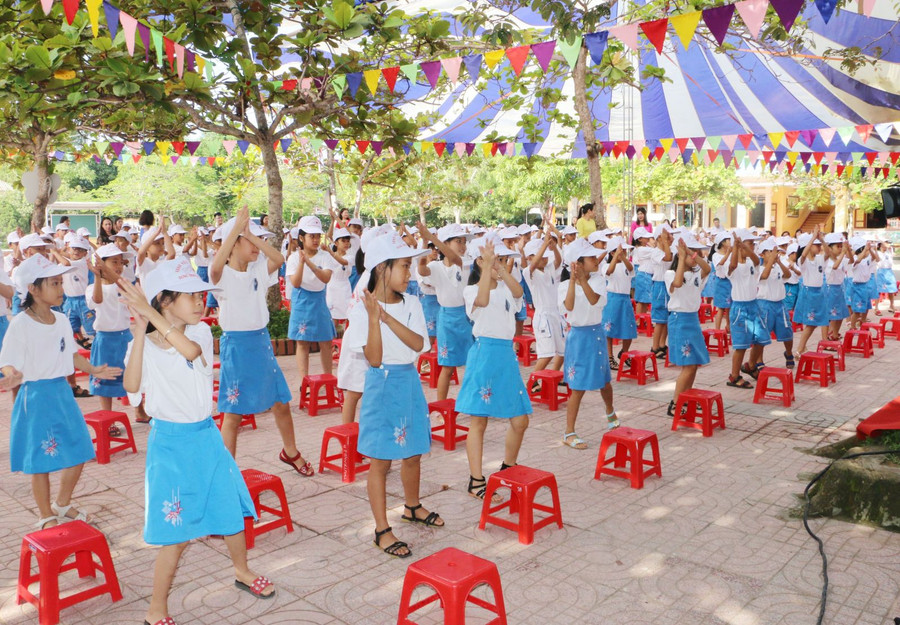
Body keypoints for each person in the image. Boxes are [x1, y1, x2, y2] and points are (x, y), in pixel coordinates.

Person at [119, 261, 274, 625]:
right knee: (175, 533)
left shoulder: (201, 333)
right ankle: (157, 607)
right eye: (189, 294)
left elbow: (188, 351)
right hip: (168, 445)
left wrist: (150, 315)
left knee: (230, 512)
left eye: (200, 293)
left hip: (205, 438)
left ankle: (242, 570)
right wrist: (141, 331)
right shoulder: (143, 342)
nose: (199, 300)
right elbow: (131, 387)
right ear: (165, 300)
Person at [0, 255, 120, 529]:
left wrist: (94, 369)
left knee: (80, 449)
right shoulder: (21, 323)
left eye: (60, 282)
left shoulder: (62, 319)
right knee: (40, 461)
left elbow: (72, 354)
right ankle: (45, 515)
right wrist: (11, 375)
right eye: (54, 283)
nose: (60, 288)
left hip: (61, 393)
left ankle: (62, 503)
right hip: (35, 396)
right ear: (32, 288)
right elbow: (8, 361)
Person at [342, 231, 443, 559]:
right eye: (403, 266)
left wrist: (385, 318)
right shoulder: (362, 309)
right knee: (381, 460)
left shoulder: (412, 302)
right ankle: (382, 528)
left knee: (412, 453)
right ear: (382, 269)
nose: (409, 273)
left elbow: (418, 344)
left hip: (408, 382)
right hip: (381, 385)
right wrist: (375, 319)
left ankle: (412, 506)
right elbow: (373, 358)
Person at [209, 207, 313, 475]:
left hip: (261, 342)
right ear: (232, 244)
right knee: (232, 413)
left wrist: (250, 236)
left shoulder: (257, 269)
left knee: (280, 402)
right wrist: (235, 232)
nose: (258, 247)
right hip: (236, 346)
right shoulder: (222, 275)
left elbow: (277, 258)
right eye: (250, 241)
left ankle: (291, 452)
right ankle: (227, 471)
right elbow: (215, 268)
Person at [454, 235, 532, 496]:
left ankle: (508, 466)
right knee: (479, 421)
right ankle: (476, 480)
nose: (501, 263)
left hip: (505, 357)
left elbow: (520, 292)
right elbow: (483, 301)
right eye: (496, 258)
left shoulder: (507, 287)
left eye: (503, 259)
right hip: (484, 355)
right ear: (479, 261)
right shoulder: (471, 290)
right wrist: (488, 268)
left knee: (520, 420)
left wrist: (500, 269)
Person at [559, 238, 617, 449]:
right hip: (578, 338)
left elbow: (594, 300)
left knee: (604, 381)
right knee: (577, 386)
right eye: (591, 257)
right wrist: (574, 281)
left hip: (596, 334)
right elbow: (569, 306)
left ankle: (610, 412)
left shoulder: (598, 280)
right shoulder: (565, 284)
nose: (596, 259)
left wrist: (583, 280)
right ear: (577, 263)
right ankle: (569, 432)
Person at [416, 223, 472, 402]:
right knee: (447, 367)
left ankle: (471, 402)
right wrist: (425, 242)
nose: (463, 245)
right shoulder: (436, 267)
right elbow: (422, 270)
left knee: (472, 364)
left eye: (464, 241)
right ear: (446, 244)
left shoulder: (466, 261)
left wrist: (432, 238)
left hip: (466, 317)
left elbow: (455, 258)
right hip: (447, 319)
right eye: (458, 241)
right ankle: (441, 405)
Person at [666, 235, 711, 416]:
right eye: (691, 254)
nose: (695, 258)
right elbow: (677, 283)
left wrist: (691, 254)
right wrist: (682, 257)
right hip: (679, 320)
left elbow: (707, 268)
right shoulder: (670, 274)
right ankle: (676, 403)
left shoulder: (696, 275)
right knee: (688, 365)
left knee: (694, 363)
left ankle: (686, 396)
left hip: (692, 320)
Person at [287, 216, 335, 382]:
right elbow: (296, 282)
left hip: (319, 299)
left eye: (317, 236)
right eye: (311, 236)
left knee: (326, 341)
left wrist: (310, 263)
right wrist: (301, 262)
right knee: (302, 342)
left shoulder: (325, 256)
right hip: (302, 300)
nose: (315, 240)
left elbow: (326, 278)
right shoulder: (293, 258)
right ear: (301, 238)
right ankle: (304, 381)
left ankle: (329, 379)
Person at [725, 231, 769, 388]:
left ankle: (750, 365)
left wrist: (745, 247)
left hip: (753, 305)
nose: (752, 246)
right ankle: (734, 376)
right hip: (739, 307)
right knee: (741, 345)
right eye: (750, 243)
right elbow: (732, 266)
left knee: (762, 338)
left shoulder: (751, 263)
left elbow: (757, 260)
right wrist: (736, 248)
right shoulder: (730, 264)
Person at [523, 227, 566, 377]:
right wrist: (543, 246)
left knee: (563, 350)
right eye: (542, 256)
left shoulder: (549, 268)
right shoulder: (529, 272)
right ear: (529, 257)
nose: (545, 259)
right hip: (543, 315)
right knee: (547, 354)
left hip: (556, 313)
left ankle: (551, 378)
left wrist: (553, 248)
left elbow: (559, 261)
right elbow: (534, 264)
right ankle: (533, 382)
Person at [755, 237, 796, 370]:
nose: (774, 254)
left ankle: (788, 353)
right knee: (762, 334)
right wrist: (771, 261)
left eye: (776, 252)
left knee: (787, 331)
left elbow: (787, 275)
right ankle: (759, 360)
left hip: (779, 304)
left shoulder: (778, 267)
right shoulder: (759, 269)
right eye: (770, 252)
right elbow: (765, 276)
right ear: (762, 254)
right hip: (764, 304)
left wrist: (778, 262)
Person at [601, 236, 637, 370]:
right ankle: (609, 357)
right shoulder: (606, 266)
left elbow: (630, 268)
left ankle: (624, 352)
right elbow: (609, 272)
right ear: (612, 252)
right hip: (612, 298)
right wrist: (616, 257)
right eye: (621, 251)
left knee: (628, 328)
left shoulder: (627, 264)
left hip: (625, 299)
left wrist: (623, 258)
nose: (624, 253)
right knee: (609, 330)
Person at [793, 227, 830, 355]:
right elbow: (803, 255)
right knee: (811, 323)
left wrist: (821, 240)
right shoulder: (803, 261)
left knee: (813, 323)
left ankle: (801, 348)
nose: (819, 248)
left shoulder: (819, 259)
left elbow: (829, 254)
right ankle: (799, 349)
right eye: (816, 245)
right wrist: (813, 238)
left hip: (819, 293)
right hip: (809, 293)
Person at [649, 226, 674, 359]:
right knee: (659, 319)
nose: (670, 238)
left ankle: (662, 344)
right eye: (667, 235)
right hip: (660, 286)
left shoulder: (666, 249)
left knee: (665, 319)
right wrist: (665, 242)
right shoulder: (656, 252)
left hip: (667, 285)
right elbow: (668, 258)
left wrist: (668, 242)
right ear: (659, 237)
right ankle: (655, 346)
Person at [324, 227, 353, 330]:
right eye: (343, 241)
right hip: (332, 287)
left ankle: (346, 341)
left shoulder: (350, 256)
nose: (346, 243)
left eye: (347, 241)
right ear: (336, 243)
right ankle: (331, 342)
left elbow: (343, 262)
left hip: (344, 287)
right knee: (333, 316)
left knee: (348, 315)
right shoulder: (328, 256)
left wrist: (330, 252)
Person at [824, 234, 850, 341]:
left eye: (841, 246)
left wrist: (847, 250)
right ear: (829, 248)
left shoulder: (841, 259)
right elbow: (835, 267)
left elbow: (851, 261)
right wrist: (843, 253)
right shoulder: (827, 261)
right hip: (830, 289)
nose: (840, 249)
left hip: (839, 288)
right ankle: (826, 337)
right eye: (837, 246)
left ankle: (835, 334)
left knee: (840, 314)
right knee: (830, 315)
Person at [848, 237, 875, 330]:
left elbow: (874, 257)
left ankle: (862, 323)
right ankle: (852, 326)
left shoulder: (867, 258)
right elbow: (857, 261)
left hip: (865, 285)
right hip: (857, 287)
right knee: (857, 310)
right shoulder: (854, 258)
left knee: (866, 307)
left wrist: (870, 249)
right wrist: (865, 251)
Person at [711, 232, 733, 331]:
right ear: (722, 243)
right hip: (721, 282)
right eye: (728, 240)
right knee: (720, 307)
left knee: (729, 307)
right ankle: (717, 329)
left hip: (730, 282)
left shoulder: (731, 254)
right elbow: (721, 263)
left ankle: (728, 326)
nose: (730, 241)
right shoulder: (716, 255)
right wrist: (728, 253)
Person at [631, 227, 654, 315]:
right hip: (644, 275)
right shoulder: (643, 249)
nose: (648, 239)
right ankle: (638, 320)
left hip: (645, 275)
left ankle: (641, 318)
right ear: (640, 239)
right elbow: (656, 251)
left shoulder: (642, 248)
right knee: (641, 300)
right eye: (646, 237)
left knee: (645, 300)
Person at [875, 240, 897, 315]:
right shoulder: (878, 253)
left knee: (891, 288)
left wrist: (890, 248)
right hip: (881, 271)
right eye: (884, 244)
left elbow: (892, 258)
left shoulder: (889, 252)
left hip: (889, 271)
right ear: (880, 245)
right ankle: (876, 308)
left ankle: (891, 305)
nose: (886, 246)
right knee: (879, 290)